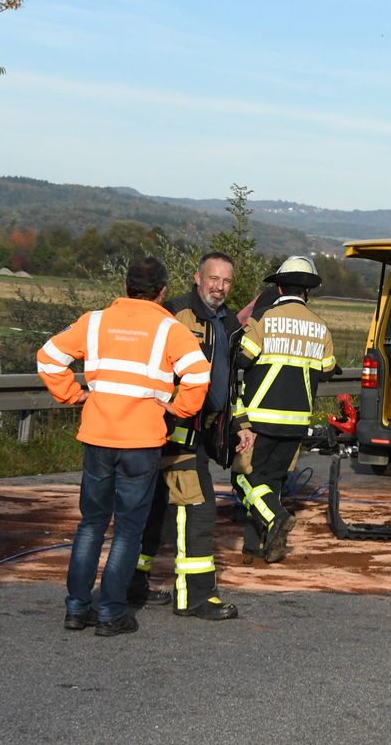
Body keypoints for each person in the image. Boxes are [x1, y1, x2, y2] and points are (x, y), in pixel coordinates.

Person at [36, 257, 210, 636]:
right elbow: (199, 374)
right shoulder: (170, 328)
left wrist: (73, 396)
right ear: (163, 291)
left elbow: (49, 357)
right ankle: (111, 612)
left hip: (98, 438)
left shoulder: (94, 321)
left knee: (91, 525)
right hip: (142, 443)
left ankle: (76, 608)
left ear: (126, 285)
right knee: (129, 530)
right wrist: (178, 408)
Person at [132, 252, 242, 620]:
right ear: (197, 278)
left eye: (226, 281)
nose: (219, 287)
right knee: (198, 508)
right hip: (174, 430)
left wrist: (236, 427)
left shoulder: (227, 322)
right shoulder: (175, 313)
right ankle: (195, 597)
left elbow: (227, 382)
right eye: (213, 279)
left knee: (157, 510)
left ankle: (133, 584)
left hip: (204, 430)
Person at [232, 256, 336, 563]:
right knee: (272, 482)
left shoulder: (264, 319)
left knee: (244, 478)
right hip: (296, 422)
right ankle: (259, 546)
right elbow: (328, 369)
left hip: (259, 418)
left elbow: (243, 359)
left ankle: (276, 518)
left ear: (278, 287)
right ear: (308, 292)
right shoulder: (321, 328)